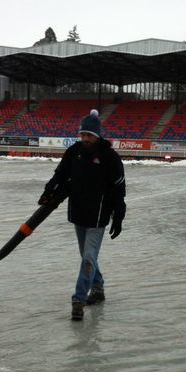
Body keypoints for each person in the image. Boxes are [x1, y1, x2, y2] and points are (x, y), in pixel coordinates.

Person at [38, 109, 126, 320]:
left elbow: (118, 187)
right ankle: (98, 288)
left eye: (89, 135)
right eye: (82, 134)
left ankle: (78, 299)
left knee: (88, 256)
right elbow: (61, 173)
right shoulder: (74, 152)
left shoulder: (109, 157)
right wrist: (49, 189)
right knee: (87, 256)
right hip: (78, 211)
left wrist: (119, 214)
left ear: (97, 135)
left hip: (98, 216)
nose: (85, 138)